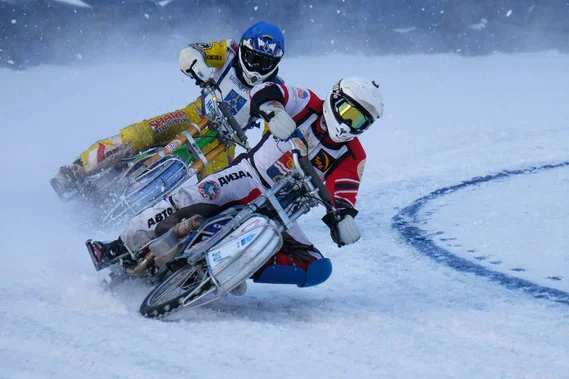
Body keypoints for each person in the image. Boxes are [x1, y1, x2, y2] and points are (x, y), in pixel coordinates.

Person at [89, 76, 384, 291]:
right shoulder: (307, 103)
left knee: (317, 267)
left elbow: (345, 193)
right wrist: (274, 110)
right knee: (188, 198)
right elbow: (268, 91)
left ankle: (233, 268)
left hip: (282, 212)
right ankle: (118, 246)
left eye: (359, 121)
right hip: (247, 177)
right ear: (335, 98)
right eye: (348, 112)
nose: (348, 124)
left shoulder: (353, 155)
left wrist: (342, 219)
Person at [51, 21, 285, 194]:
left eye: (265, 63)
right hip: (194, 115)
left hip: (224, 143)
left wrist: (273, 136)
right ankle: (78, 168)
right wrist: (197, 66)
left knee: (216, 191)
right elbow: (192, 51)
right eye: (253, 58)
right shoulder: (228, 51)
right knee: (139, 134)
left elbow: (272, 131)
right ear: (243, 50)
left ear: (275, 64)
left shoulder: (274, 89)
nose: (256, 67)